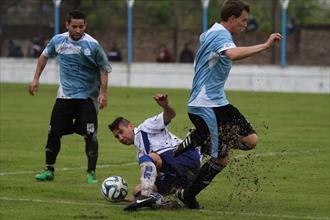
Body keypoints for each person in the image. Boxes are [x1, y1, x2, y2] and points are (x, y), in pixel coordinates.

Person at [173, 0, 282, 209]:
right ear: (231, 19)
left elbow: (205, 41)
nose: (245, 25)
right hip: (204, 106)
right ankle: (187, 195)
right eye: (243, 21)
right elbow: (232, 54)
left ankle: (199, 137)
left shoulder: (211, 32)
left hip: (219, 103)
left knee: (251, 141)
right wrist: (266, 45)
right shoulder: (221, 35)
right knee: (221, 160)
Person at [28, 10, 112, 184]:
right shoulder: (58, 41)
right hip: (64, 97)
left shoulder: (92, 45)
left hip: (87, 98)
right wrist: (36, 79)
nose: (78, 30)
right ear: (67, 25)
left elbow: (104, 69)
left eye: (81, 26)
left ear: (85, 26)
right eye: (74, 26)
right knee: (53, 134)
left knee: (90, 136)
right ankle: (49, 170)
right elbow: (43, 57)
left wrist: (103, 93)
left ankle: (91, 173)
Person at [108, 94, 201, 211]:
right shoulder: (140, 154)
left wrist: (165, 106)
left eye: (121, 132)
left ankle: (146, 196)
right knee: (137, 190)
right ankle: (163, 202)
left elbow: (170, 115)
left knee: (149, 159)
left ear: (130, 126)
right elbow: (154, 176)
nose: (120, 138)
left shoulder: (146, 127)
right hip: (182, 177)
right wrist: (134, 197)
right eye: (117, 137)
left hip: (185, 157)